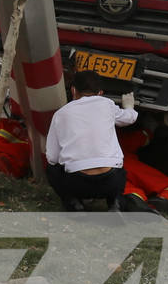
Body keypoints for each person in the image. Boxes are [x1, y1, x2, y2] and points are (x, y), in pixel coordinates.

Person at [45, 70, 139, 210]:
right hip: (112, 181)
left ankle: (74, 203)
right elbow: (129, 118)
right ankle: (115, 202)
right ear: (100, 93)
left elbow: (52, 157)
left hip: (77, 183)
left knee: (51, 169)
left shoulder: (61, 114)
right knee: (119, 165)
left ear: (73, 90)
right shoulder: (107, 104)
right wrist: (130, 106)